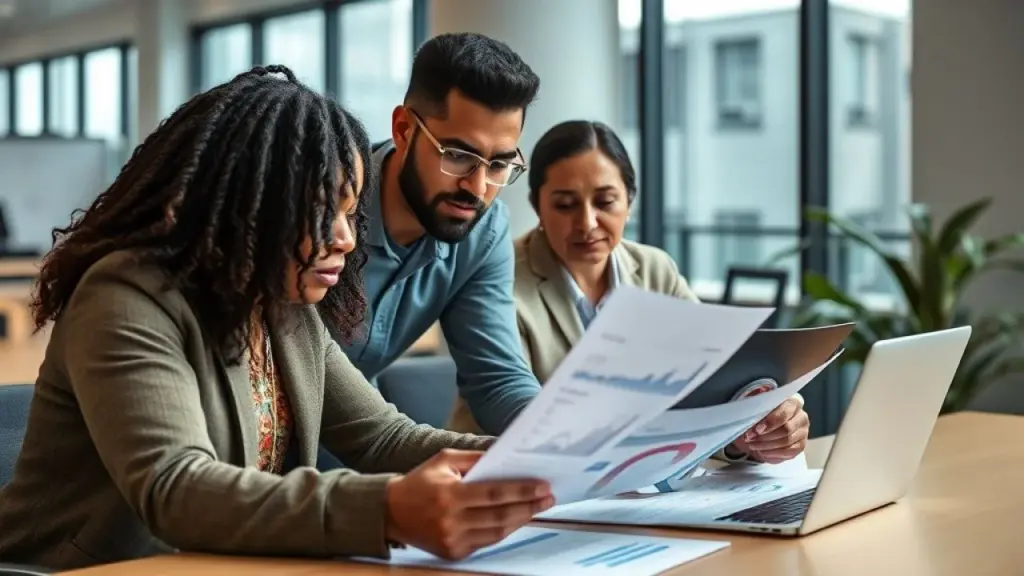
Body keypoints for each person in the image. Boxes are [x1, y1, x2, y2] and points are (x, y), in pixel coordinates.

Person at [0, 66, 553, 571]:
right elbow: (176, 487)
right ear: (248, 202)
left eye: (350, 212)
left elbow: (384, 438)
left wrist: (543, 457)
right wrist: (385, 507)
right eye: (322, 210)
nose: (346, 238)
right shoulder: (127, 296)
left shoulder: (284, 310)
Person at [448, 120, 810, 464]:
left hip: (628, 487)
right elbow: (509, 415)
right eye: (565, 205)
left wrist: (757, 426)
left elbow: (714, 383)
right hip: (504, 479)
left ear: (629, 201)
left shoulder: (656, 270)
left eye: (605, 202)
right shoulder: (499, 280)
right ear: (537, 206)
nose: (587, 223)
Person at [339, 32, 542, 435]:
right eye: (459, 156)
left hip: (346, 453)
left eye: (499, 164)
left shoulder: (483, 231)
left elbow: (497, 378)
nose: (478, 187)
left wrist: (562, 437)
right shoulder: (324, 207)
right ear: (403, 129)